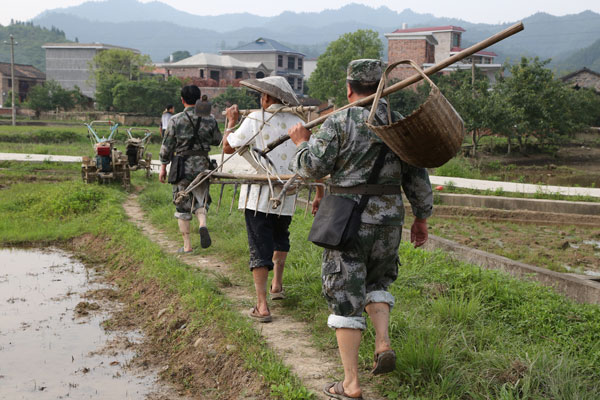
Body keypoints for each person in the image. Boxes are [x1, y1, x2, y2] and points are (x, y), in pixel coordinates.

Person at [288, 59, 433, 400]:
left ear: (349, 88)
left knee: (345, 297)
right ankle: (382, 342)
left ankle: (351, 384)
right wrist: (421, 217)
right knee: (378, 281)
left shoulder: (339, 121)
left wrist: (300, 143)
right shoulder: (400, 124)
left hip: (348, 221)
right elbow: (418, 176)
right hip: (390, 221)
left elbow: (312, 168)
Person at [222, 76, 305, 323]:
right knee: (280, 237)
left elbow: (228, 146)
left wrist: (230, 122)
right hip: (287, 193)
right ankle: (277, 285)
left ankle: (261, 305)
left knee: (259, 246)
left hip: (259, 195)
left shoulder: (255, 119)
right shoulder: (299, 122)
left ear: (267, 98)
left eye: (262, 96)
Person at [159, 85, 222, 253]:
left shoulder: (176, 120)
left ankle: (187, 246)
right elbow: (217, 140)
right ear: (198, 99)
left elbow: (167, 146)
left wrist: (163, 167)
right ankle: (202, 224)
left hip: (181, 167)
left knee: (182, 203)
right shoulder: (210, 119)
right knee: (201, 199)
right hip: (202, 165)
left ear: (182, 100)